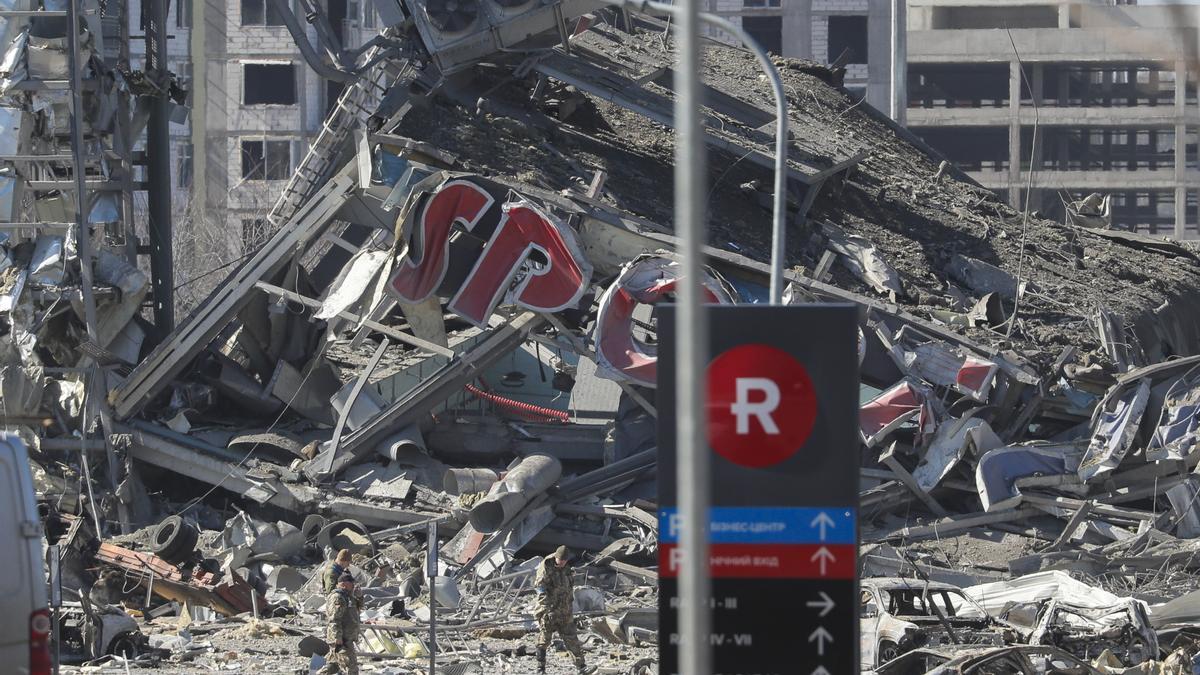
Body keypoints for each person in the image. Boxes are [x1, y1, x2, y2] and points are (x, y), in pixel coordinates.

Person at [534, 545, 593, 674]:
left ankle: (582, 667)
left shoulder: (567, 569)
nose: (562, 563)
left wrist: (569, 607)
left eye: (564, 561)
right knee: (544, 639)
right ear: (556, 557)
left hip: (564, 610)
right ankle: (540, 668)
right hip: (549, 609)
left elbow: (569, 589)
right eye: (560, 560)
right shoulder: (546, 566)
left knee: (571, 638)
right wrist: (545, 609)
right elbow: (540, 588)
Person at [319, 572, 362, 675]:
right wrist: (337, 637)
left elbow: (357, 608)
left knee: (333, 666)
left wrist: (359, 597)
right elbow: (334, 619)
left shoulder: (347, 596)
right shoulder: (338, 597)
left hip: (346, 638)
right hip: (342, 639)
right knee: (351, 668)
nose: (353, 586)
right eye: (351, 584)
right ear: (344, 584)